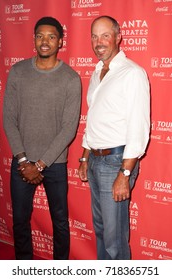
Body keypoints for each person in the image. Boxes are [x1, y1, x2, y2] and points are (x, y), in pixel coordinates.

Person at [3, 16, 81, 260]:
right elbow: (8, 119)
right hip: (22, 162)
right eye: (40, 36)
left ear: (60, 42)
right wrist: (25, 160)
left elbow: (69, 128)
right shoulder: (17, 72)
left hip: (54, 164)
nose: (44, 41)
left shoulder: (71, 78)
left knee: (59, 221)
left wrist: (40, 164)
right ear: (34, 39)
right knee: (20, 221)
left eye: (51, 36)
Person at [78, 15, 150, 260]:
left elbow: (139, 128)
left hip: (117, 163)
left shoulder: (132, 73)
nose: (99, 42)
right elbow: (93, 119)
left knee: (114, 238)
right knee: (101, 232)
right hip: (96, 160)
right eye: (94, 36)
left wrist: (125, 173)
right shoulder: (97, 73)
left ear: (119, 37)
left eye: (105, 35)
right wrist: (85, 157)